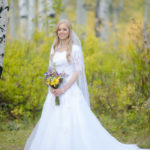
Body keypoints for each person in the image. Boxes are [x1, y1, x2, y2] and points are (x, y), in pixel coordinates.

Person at [24, 19, 149, 150]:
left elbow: (78, 71)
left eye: (64, 29)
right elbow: (51, 69)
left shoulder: (75, 49)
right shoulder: (54, 48)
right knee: (53, 119)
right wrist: (51, 86)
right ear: (57, 31)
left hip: (69, 90)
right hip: (55, 91)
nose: (61, 32)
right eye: (59, 29)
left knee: (72, 119)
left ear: (69, 31)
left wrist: (64, 89)